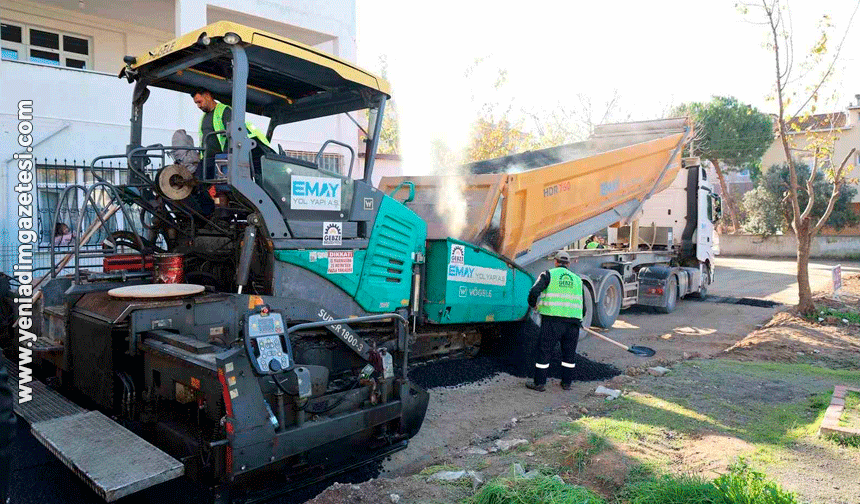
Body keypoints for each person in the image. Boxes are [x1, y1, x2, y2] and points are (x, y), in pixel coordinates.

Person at [525, 251, 584, 392]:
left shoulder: (548, 274)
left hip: (552, 321)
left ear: (555, 262)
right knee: (569, 354)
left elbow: (534, 291)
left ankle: (539, 383)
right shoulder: (577, 279)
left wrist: (533, 305)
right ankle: (567, 384)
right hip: (573, 322)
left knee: (545, 351)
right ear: (568, 264)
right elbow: (583, 304)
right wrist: (579, 319)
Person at [191, 88, 274, 180]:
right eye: (196, 103)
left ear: (207, 96)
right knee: (197, 182)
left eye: (199, 102)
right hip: (209, 159)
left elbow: (233, 135)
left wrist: (227, 158)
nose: (198, 106)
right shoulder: (204, 117)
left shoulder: (224, 111)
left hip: (222, 158)